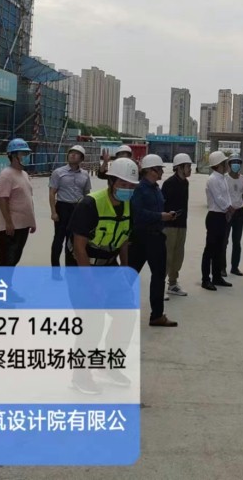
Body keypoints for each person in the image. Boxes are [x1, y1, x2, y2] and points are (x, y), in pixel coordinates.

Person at [66, 157, 140, 394]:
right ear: (111, 181)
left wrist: (126, 272)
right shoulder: (90, 204)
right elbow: (79, 248)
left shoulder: (129, 206)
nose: (127, 189)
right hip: (82, 269)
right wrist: (91, 284)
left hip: (110, 266)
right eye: (123, 184)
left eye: (131, 185)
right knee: (92, 321)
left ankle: (110, 363)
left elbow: (124, 240)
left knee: (127, 315)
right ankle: (80, 375)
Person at [129, 154, 178, 327]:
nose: (162, 172)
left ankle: (157, 315)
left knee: (158, 276)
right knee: (129, 274)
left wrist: (166, 216)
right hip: (141, 236)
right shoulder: (139, 189)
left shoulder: (156, 188)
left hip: (156, 236)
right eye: (159, 169)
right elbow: (138, 213)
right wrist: (160, 216)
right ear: (151, 170)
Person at [0, 138, 37, 271]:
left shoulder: (24, 174)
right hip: (12, 227)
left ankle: (7, 282)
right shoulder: (6, 175)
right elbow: (2, 199)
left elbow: (28, 198)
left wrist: (32, 221)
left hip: (23, 225)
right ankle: (0, 284)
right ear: (13, 156)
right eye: (23, 153)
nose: (26, 156)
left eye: (27, 153)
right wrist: (8, 222)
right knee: (7, 260)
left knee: (14, 259)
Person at [48, 145, 91, 269]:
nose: (73, 155)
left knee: (72, 240)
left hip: (77, 209)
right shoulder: (58, 172)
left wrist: (86, 213)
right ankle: (55, 270)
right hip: (62, 208)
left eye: (76, 153)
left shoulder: (85, 175)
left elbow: (86, 194)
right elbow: (52, 193)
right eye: (71, 153)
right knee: (58, 239)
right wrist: (53, 212)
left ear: (81, 158)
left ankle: (70, 268)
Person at [201, 151, 234, 291]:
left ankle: (217, 277)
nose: (227, 165)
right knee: (210, 249)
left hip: (222, 216)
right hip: (214, 216)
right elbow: (218, 198)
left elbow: (227, 195)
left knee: (219, 249)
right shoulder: (213, 179)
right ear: (219, 164)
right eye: (225, 162)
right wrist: (228, 208)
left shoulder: (223, 178)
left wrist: (229, 208)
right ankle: (205, 279)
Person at [162, 153, 192, 296]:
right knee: (167, 256)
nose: (190, 169)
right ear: (179, 167)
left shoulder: (185, 183)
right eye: (188, 166)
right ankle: (159, 286)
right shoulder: (169, 183)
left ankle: (173, 284)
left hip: (181, 224)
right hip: (169, 226)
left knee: (178, 256)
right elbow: (162, 204)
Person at [224, 153, 243, 277]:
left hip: (239, 212)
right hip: (227, 211)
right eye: (234, 162)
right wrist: (228, 207)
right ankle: (222, 267)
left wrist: (239, 206)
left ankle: (235, 267)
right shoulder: (224, 178)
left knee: (237, 241)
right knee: (224, 241)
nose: (236, 165)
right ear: (229, 164)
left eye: (238, 163)